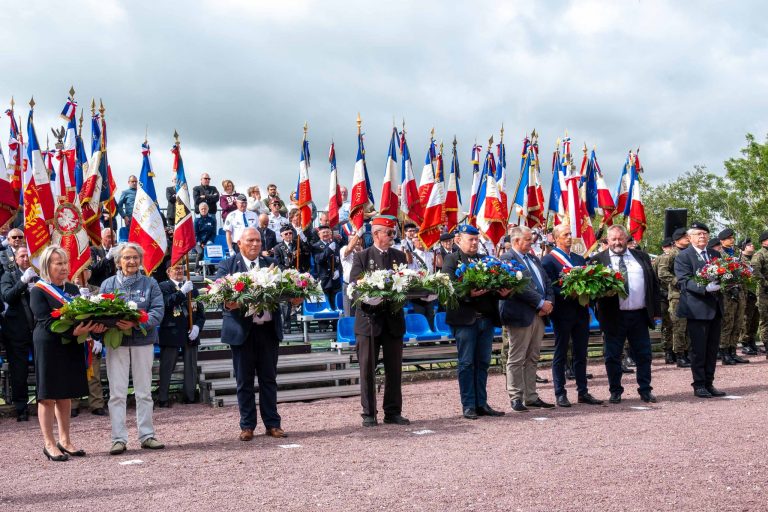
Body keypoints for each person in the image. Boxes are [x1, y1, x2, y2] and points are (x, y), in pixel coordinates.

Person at [215, 227, 294, 441]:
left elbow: (286, 292)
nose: (255, 244)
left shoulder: (272, 264)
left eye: (258, 240)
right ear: (239, 243)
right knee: (244, 381)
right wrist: (228, 302)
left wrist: (295, 299)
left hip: (268, 330)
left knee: (269, 379)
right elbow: (219, 294)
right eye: (250, 240)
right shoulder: (227, 265)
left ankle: (273, 424)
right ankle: (247, 425)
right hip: (242, 332)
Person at [30, 246, 107, 461]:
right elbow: (45, 321)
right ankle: (49, 443)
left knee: (65, 393)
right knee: (48, 395)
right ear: (47, 266)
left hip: (71, 344)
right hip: (48, 344)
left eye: (65, 263)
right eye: (58, 263)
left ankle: (65, 440)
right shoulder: (38, 290)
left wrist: (94, 328)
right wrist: (74, 332)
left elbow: (82, 317)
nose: (64, 267)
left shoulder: (72, 289)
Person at [100, 242, 165, 454]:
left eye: (135, 257)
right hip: (116, 344)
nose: (132, 261)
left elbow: (157, 312)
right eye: (127, 257)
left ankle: (147, 435)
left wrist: (136, 323)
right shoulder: (108, 284)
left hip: (142, 343)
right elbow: (100, 312)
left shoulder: (150, 283)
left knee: (144, 392)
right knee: (117, 394)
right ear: (118, 261)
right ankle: (118, 439)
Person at [350, 216, 410, 427]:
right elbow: (354, 287)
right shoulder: (362, 256)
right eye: (389, 232)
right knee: (367, 369)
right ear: (376, 234)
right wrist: (368, 297)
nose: (393, 236)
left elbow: (406, 283)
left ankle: (393, 411)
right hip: (369, 321)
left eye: (394, 233)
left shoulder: (399, 256)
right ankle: (369, 412)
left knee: (394, 369)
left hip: (393, 320)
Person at [591, 225, 660, 404]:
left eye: (620, 238)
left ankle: (645, 389)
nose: (617, 242)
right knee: (612, 356)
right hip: (613, 316)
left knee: (644, 354)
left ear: (626, 238)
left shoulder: (641, 257)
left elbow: (653, 284)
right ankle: (615, 391)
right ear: (607, 240)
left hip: (639, 315)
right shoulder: (597, 260)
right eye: (613, 239)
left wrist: (656, 311)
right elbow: (591, 291)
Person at [443, 225, 507, 419]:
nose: (474, 243)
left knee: (483, 362)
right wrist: (468, 294)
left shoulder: (484, 259)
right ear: (459, 240)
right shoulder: (451, 259)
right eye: (470, 239)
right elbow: (449, 287)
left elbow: (494, 286)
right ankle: (469, 404)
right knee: (466, 363)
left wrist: (504, 291)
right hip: (465, 320)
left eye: (476, 239)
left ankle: (481, 403)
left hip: (486, 319)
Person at [499, 226, 558, 413]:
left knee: (532, 357)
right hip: (520, 314)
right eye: (527, 240)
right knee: (517, 357)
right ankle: (516, 396)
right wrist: (541, 303)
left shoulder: (533, 258)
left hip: (539, 315)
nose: (531, 242)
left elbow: (546, 281)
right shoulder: (507, 259)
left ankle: (531, 396)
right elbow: (519, 288)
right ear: (516, 241)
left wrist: (549, 302)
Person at [541, 225, 599, 407]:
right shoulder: (549, 260)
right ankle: (560, 393)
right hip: (562, 312)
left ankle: (583, 391)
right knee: (561, 352)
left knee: (581, 352)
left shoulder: (578, 258)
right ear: (556, 238)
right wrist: (568, 292)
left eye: (570, 234)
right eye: (565, 234)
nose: (569, 237)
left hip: (580, 311)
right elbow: (549, 286)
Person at [674, 222, 728, 398]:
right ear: (690, 237)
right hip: (696, 309)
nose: (702, 236)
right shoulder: (684, 256)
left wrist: (728, 281)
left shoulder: (714, 254)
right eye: (698, 233)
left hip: (715, 307)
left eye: (705, 233)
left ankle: (709, 383)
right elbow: (684, 280)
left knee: (712, 349)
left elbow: (723, 273)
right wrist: (704, 288)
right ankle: (699, 384)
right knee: (699, 349)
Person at [158, 263, 205, 406]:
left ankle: (189, 396)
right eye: (176, 268)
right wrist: (182, 292)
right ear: (168, 271)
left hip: (190, 332)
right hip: (171, 331)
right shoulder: (163, 286)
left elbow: (200, 313)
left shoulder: (191, 287)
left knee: (191, 366)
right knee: (167, 367)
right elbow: (166, 303)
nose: (179, 271)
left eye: (181, 268)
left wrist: (197, 327)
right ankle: (163, 398)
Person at [1, 247, 38, 421]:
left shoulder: (38, 275)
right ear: (15, 259)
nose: (25, 259)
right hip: (16, 332)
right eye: (22, 256)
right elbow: (7, 296)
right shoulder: (8, 276)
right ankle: (21, 408)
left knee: (42, 368)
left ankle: (44, 403)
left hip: (37, 330)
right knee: (19, 371)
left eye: (27, 256)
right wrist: (23, 282)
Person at [657, 227, 692, 368]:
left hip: (691, 294)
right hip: (677, 295)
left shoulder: (690, 252)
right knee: (679, 326)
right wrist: (676, 281)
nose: (688, 239)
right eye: (685, 237)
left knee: (689, 326)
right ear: (677, 240)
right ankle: (679, 355)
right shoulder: (671, 254)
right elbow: (662, 272)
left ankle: (687, 352)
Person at [717, 228, 750, 365]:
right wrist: (729, 288)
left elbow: (745, 267)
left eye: (732, 238)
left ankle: (733, 351)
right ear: (722, 241)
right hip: (727, 294)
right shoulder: (718, 254)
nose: (732, 240)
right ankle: (724, 353)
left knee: (738, 322)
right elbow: (717, 274)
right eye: (729, 238)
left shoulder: (737, 252)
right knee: (728, 323)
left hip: (740, 291)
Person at [738, 239, 761, 354]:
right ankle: (744, 343)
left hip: (757, 293)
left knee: (755, 318)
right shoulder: (739, 260)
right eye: (749, 245)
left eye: (752, 244)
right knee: (746, 319)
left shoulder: (755, 258)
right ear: (743, 247)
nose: (752, 246)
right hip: (747, 293)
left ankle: (752, 341)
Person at [654, 238, 674, 363]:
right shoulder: (658, 260)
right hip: (663, 296)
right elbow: (654, 278)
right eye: (667, 247)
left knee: (677, 324)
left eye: (671, 246)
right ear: (663, 248)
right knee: (667, 324)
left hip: (675, 294)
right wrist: (660, 292)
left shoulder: (677, 257)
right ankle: (668, 351)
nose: (670, 249)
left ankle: (677, 350)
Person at [749, 231, 768, 359]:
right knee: (765, 320)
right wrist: (765, 283)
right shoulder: (759, 254)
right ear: (764, 241)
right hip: (764, 292)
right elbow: (755, 271)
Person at [312, 225, 342, 306]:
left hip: (335, 280)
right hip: (324, 280)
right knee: (326, 304)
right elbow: (318, 259)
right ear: (319, 235)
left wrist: (338, 271)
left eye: (328, 232)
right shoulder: (316, 246)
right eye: (323, 232)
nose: (326, 234)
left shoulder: (335, 245)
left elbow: (339, 261)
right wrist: (329, 249)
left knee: (336, 304)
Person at [340, 230, 363, 317]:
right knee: (349, 314)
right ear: (349, 240)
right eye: (354, 238)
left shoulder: (364, 251)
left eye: (359, 238)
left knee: (362, 314)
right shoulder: (344, 249)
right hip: (349, 285)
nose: (357, 240)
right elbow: (349, 249)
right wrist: (358, 234)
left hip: (362, 286)